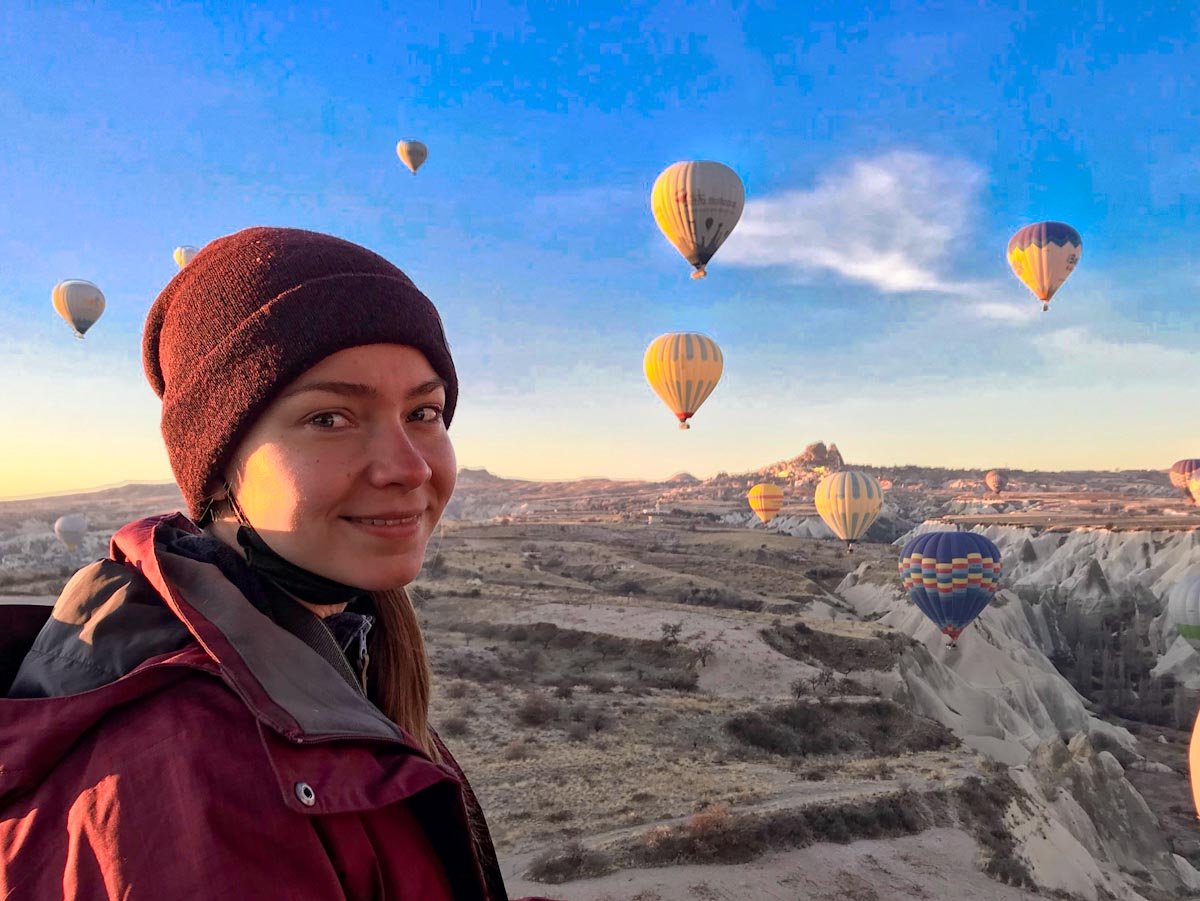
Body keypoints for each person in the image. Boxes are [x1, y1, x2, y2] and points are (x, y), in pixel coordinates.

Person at [0, 227, 558, 900]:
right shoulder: (203, 767)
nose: (408, 467)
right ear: (218, 468)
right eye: (329, 418)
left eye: (425, 411)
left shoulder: (337, 669)